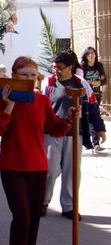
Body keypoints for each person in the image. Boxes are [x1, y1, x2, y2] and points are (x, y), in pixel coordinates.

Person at [0, 56, 81, 245]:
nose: (28, 79)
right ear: (13, 77)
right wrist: (7, 108)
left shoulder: (41, 100)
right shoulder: (3, 100)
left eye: (32, 75)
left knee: (33, 222)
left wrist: (69, 118)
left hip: (39, 167)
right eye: (23, 74)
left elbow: (55, 128)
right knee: (22, 218)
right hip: (12, 168)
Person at [41, 51, 106, 220]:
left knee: (72, 171)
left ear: (70, 68)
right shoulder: (48, 84)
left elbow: (92, 107)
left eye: (59, 68)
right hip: (51, 133)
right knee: (50, 169)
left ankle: (69, 206)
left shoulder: (81, 84)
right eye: (54, 67)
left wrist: (99, 128)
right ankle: (42, 202)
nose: (56, 71)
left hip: (74, 134)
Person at [81, 46, 107, 150]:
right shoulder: (83, 67)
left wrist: (92, 83)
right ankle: (92, 142)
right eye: (88, 54)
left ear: (95, 54)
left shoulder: (99, 66)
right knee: (88, 117)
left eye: (92, 53)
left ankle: (95, 143)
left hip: (96, 94)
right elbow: (82, 82)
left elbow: (104, 81)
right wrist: (95, 83)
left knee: (95, 116)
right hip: (86, 95)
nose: (91, 55)